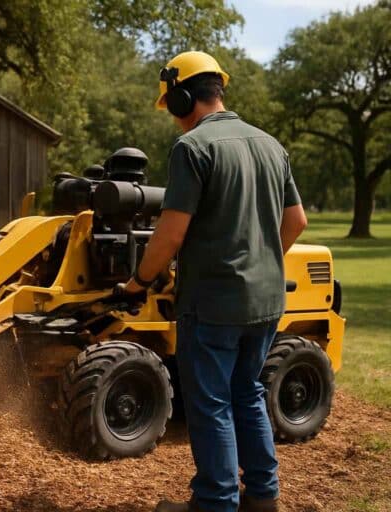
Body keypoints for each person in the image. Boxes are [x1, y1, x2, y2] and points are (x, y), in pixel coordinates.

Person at [117, 51, 308, 512]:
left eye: (173, 107)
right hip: (265, 301)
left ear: (183, 97)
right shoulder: (269, 144)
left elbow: (172, 232)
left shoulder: (193, 148)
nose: (175, 121)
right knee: (248, 392)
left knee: (211, 403)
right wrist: (260, 261)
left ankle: (215, 502)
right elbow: (297, 221)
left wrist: (139, 282)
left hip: (213, 305)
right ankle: (263, 496)